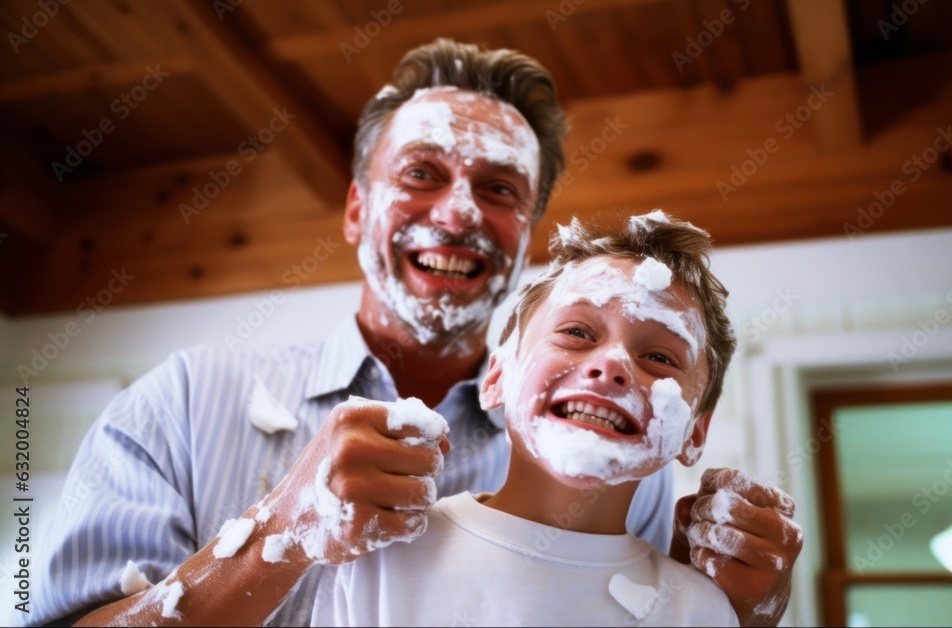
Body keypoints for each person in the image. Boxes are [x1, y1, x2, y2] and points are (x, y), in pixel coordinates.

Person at [33, 39, 800, 627]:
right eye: (422, 174)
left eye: (499, 189)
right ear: (357, 210)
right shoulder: (183, 403)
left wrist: (740, 605)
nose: (461, 213)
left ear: (529, 235)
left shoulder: (619, 461)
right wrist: (283, 531)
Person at [312, 210, 742, 626]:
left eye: (659, 357)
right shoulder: (384, 559)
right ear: (498, 378)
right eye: (576, 333)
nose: (613, 365)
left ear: (694, 432)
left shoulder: (701, 611)